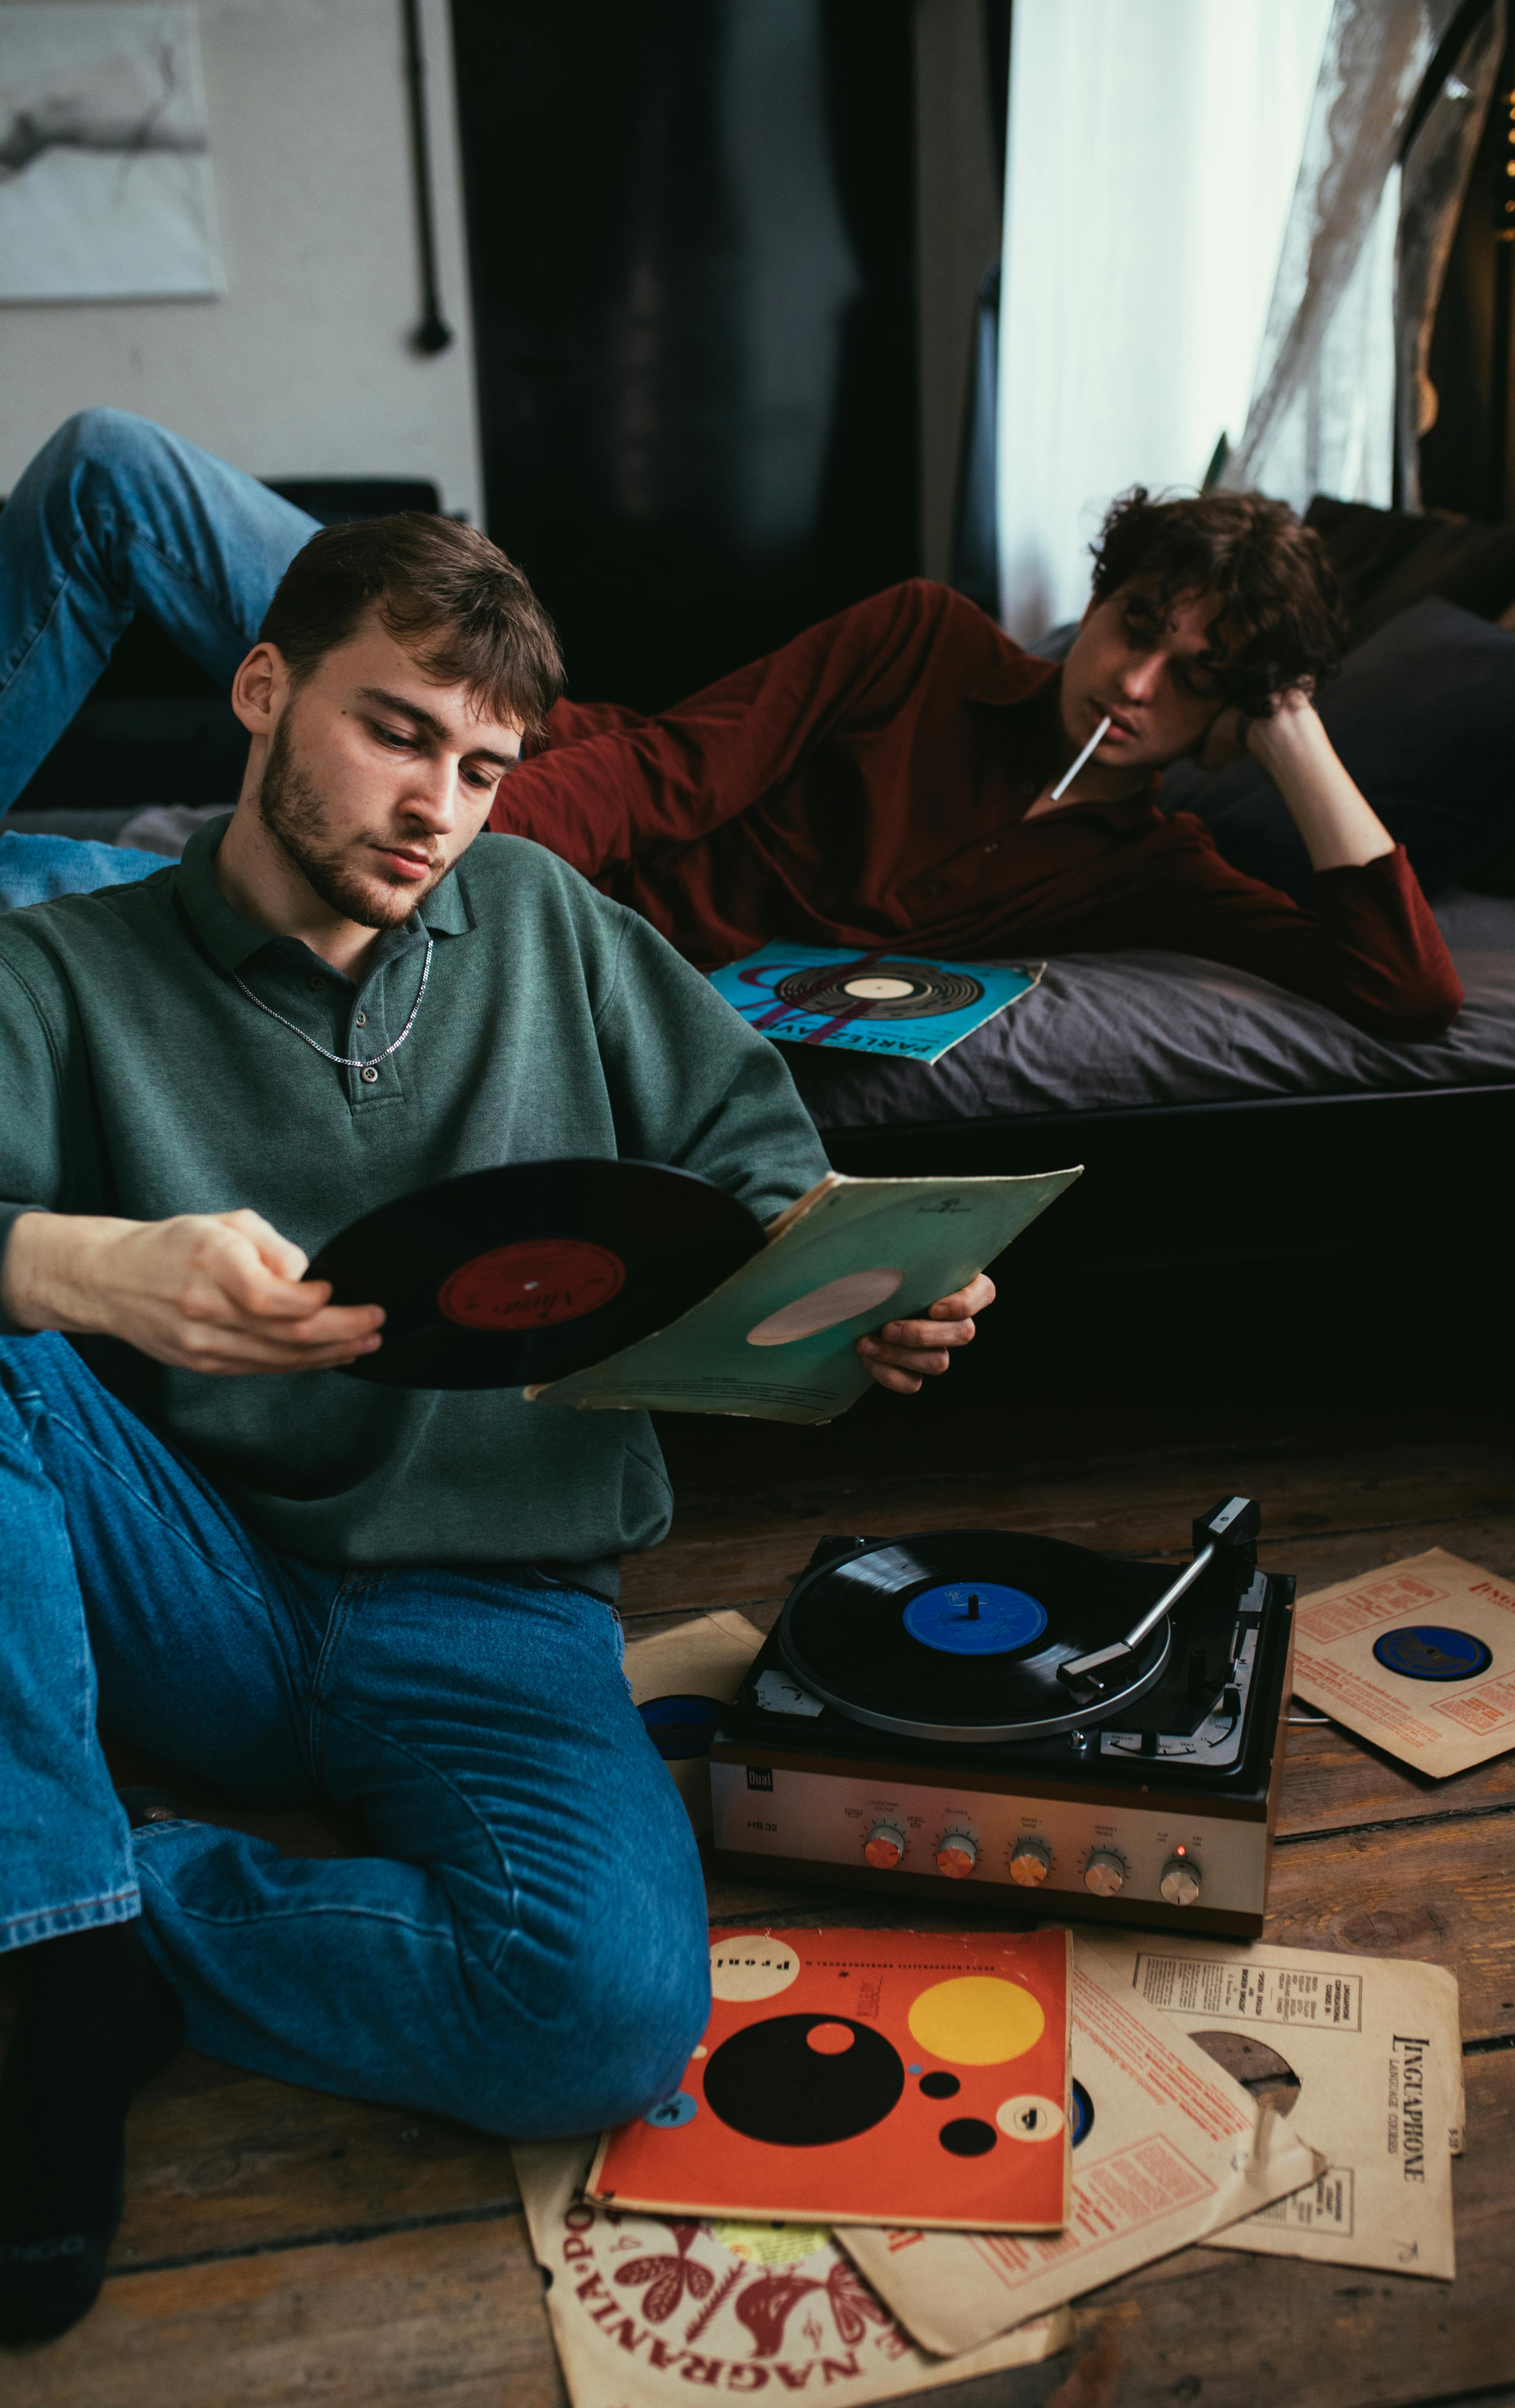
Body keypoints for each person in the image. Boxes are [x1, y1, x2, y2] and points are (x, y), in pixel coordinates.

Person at [0, 508, 993, 2346]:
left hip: (497, 1609)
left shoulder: (545, 917)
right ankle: (54, 1975)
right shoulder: (62, 970)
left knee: (599, 2022)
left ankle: (111, 1912)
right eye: (393, 732)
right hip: (190, 1587)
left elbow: (764, 1171)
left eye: (481, 766)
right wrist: (75, 1266)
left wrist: (866, 1292)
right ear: (264, 686)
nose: (435, 805)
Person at [0, 412, 1460, 1037]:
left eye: (1196, 682)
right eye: (1139, 628)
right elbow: (667, 771)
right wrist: (456, 832)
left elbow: (1404, 996)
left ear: (1229, 722)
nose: (1137, 684)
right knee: (114, 471)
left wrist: (1286, 729)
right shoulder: (925, 638)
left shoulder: (1147, 872)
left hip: (554, 913)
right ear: (1100, 603)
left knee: (32, 899)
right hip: (539, 766)